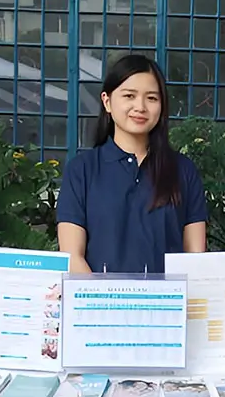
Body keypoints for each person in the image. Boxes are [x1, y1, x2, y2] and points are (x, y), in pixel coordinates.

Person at [56, 54, 208, 274]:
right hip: (98, 305)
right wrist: (101, 304)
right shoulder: (82, 171)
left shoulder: (183, 171)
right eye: (129, 95)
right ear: (107, 102)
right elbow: (72, 256)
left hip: (166, 306)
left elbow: (195, 259)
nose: (140, 107)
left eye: (152, 98)